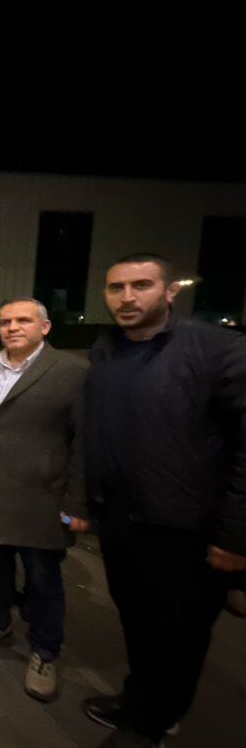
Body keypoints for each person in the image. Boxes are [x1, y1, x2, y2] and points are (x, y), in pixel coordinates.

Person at [81, 254, 246, 748]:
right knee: (137, 621)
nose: (127, 297)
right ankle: (140, 700)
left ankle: (151, 725)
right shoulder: (107, 349)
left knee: (179, 633)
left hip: (186, 529)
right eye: (116, 287)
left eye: (142, 285)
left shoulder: (218, 349)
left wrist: (235, 536)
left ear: (171, 291)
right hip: (122, 520)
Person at [0, 297, 89, 703]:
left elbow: (85, 443)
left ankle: (45, 652)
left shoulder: (72, 371)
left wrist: (78, 503)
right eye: (6, 321)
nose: (13, 327)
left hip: (40, 497)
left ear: (44, 327)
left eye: (23, 320)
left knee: (42, 580)